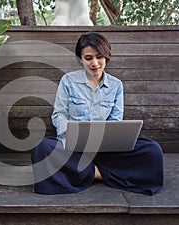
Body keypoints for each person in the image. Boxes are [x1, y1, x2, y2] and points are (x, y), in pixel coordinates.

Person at [31, 32, 164, 195]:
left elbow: (115, 120)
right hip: (74, 151)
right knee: (43, 148)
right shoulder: (68, 81)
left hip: (106, 151)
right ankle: (102, 174)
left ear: (107, 56)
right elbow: (59, 114)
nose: (95, 63)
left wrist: (110, 140)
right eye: (88, 58)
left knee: (153, 150)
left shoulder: (116, 85)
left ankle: (86, 173)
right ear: (80, 59)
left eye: (99, 57)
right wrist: (69, 135)